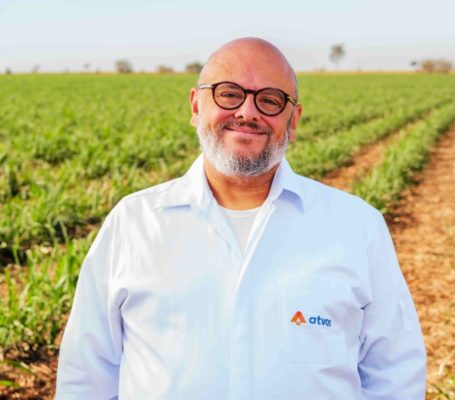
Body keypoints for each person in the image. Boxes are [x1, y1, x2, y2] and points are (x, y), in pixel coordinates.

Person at [55, 37, 426, 399]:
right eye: (229, 94)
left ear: (292, 120)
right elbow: (87, 372)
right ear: (196, 105)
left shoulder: (355, 226)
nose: (248, 113)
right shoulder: (134, 222)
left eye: (270, 100)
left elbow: (394, 372)